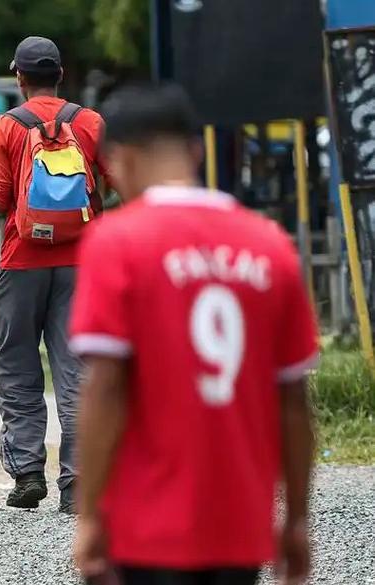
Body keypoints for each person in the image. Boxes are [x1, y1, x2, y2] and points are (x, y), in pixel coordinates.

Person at [70, 84, 316, 585]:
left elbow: (106, 388)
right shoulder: (269, 244)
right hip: (241, 524)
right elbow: (293, 402)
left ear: (119, 160)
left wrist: (91, 513)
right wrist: (294, 519)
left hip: (144, 525)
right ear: (196, 151)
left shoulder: (116, 241)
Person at [0, 36, 109, 513]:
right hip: (81, 264)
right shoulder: (90, 122)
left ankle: (28, 473)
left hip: (21, 261)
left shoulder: (6, 127)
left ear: (19, 77)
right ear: (61, 73)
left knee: (17, 366)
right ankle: (77, 483)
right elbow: (119, 185)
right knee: (76, 369)